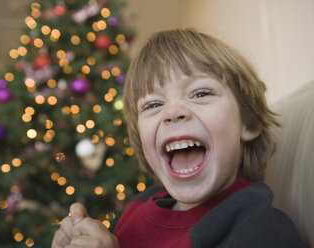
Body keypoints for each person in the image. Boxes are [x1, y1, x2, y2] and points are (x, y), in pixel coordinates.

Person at [52, 28, 306, 248]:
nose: (172, 113)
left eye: (200, 93)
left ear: (248, 121)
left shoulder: (263, 231)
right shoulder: (137, 209)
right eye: (152, 105)